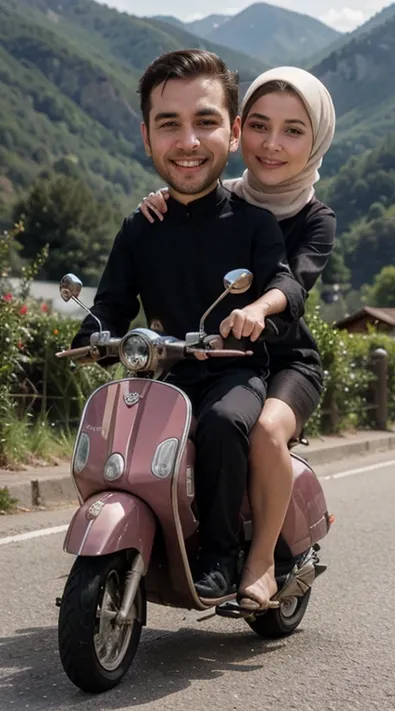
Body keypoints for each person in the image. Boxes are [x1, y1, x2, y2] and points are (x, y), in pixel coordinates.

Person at [70, 49, 307, 603]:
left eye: (205, 121)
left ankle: (223, 553)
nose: (188, 141)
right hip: (165, 376)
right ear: (147, 136)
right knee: (126, 429)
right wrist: (92, 335)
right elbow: (110, 301)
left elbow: (286, 284)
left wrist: (257, 310)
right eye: (169, 124)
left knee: (224, 423)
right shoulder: (139, 226)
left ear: (234, 131)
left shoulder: (255, 224)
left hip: (234, 372)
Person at [139, 65, 337, 612]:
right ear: (239, 128)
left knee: (266, 431)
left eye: (294, 130)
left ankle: (261, 563)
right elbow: (184, 206)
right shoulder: (218, 196)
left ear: (316, 139)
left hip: (285, 362)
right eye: (261, 126)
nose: (272, 145)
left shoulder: (316, 219)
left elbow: (293, 282)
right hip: (218, 359)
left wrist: (258, 306)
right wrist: (157, 201)